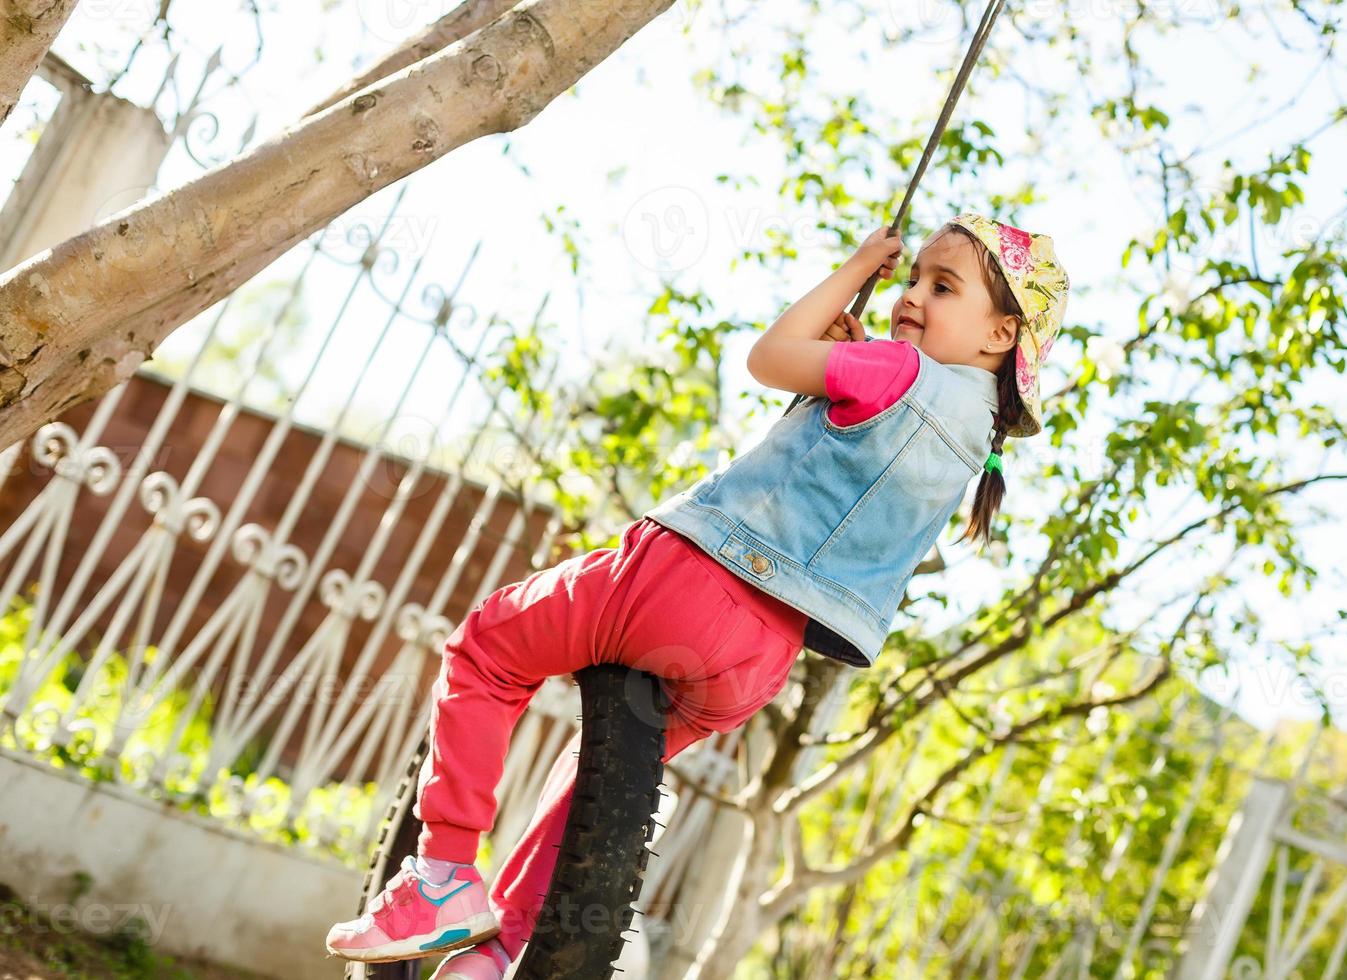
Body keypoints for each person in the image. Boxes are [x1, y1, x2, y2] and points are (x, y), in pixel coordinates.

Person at [323, 213, 1070, 978]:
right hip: (754, 663)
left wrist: (853, 271)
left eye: (941, 286)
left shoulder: (897, 370)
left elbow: (770, 357)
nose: (911, 295)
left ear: (1001, 333)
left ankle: (444, 874)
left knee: (487, 646)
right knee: (594, 781)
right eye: (910, 277)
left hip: (685, 583)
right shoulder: (973, 448)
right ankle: (503, 952)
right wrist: (848, 360)